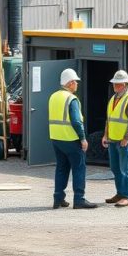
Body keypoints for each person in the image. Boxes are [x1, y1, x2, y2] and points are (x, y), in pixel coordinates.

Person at [49, 68, 96, 209]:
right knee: (79, 168)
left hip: (56, 138)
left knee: (61, 168)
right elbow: (76, 121)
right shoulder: (71, 99)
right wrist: (83, 138)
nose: (77, 84)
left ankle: (58, 199)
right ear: (69, 83)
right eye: (75, 81)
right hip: (71, 139)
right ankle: (79, 199)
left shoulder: (53, 97)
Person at [102, 69, 128, 208]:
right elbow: (109, 119)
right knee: (116, 168)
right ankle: (120, 193)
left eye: (117, 84)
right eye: (114, 83)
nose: (115, 86)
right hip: (113, 139)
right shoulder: (114, 98)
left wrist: (126, 138)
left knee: (125, 168)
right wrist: (105, 135)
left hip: (125, 141)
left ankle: (127, 196)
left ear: (124, 84)